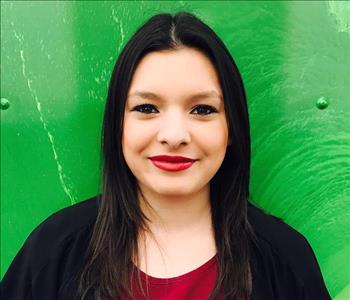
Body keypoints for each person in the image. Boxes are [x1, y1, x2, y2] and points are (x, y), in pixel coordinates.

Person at [1, 11, 331, 300]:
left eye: (202, 109)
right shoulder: (53, 251)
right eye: (146, 108)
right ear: (119, 124)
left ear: (232, 129)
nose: (174, 136)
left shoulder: (286, 259)